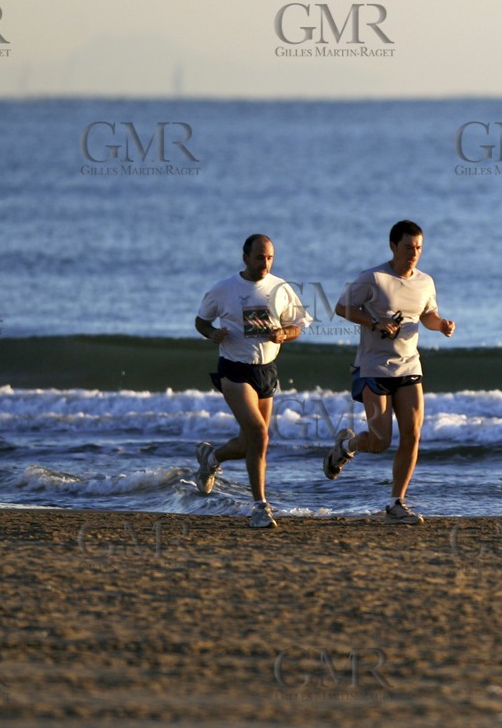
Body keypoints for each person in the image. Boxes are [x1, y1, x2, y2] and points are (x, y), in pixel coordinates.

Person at [323, 220, 455, 523]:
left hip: (409, 366)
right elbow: (342, 308)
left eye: (419, 248)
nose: (414, 253)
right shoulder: (373, 278)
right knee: (381, 440)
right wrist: (375, 323)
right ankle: (346, 447)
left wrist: (442, 325)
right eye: (408, 247)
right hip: (374, 368)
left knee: (413, 435)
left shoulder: (425, 282)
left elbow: (428, 316)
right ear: (393, 246)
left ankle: (397, 502)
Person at [192, 233, 311, 529]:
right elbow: (201, 321)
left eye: (270, 257)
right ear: (245, 257)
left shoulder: (280, 288)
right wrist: (211, 334)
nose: (265, 263)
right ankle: (260, 507)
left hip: (266, 371)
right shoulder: (224, 289)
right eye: (259, 257)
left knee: (251, 443)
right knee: (259, 433)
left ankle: (211, 457)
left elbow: (298, 325)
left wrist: (284, 334)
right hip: (234, 369)